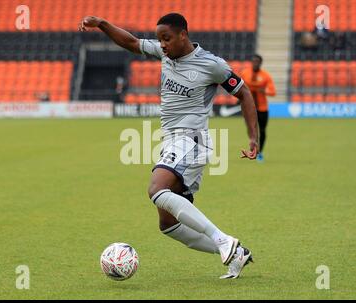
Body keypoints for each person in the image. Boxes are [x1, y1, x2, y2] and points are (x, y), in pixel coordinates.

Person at [79, 13, 259, 279]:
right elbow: (130, 42)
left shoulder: (211, 65)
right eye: (159, 39)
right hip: (172, 140)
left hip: (191, 138)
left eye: (166, 38)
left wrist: (253, 137)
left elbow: (244, 92)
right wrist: (102, 24)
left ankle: (222, 239)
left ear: (183, 35)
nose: (161, 44)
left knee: (155, 188)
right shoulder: (165, 54)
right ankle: (238, 253)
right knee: (168, 225)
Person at [240, 54, 276, 162]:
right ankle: (254, 149)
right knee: (251, 129)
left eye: (257, 61)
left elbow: (273, 92)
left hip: (262, 108)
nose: (255, 63)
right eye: (253, 61)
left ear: (260, 63)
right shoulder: (245, 73)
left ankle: (260, 153)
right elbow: (239, 87)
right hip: (250, 108)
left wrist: (264, 91)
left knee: (263, 130)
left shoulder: (266, 76)